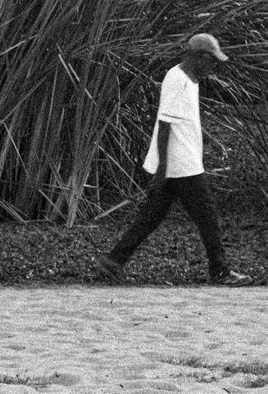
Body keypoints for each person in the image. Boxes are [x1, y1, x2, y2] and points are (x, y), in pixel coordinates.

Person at [99, 32, 248, 283]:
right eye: (211, 61)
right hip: (181, 165)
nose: (213, 67)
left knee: (151, 217)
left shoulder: (190, 80)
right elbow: (165, 124)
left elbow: (183, 122)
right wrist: (162, 169)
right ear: (200, 57)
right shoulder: (176, 79)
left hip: (181, 163)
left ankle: (113, 260)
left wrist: (205, 141)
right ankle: (220, 271)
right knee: (208, 217)